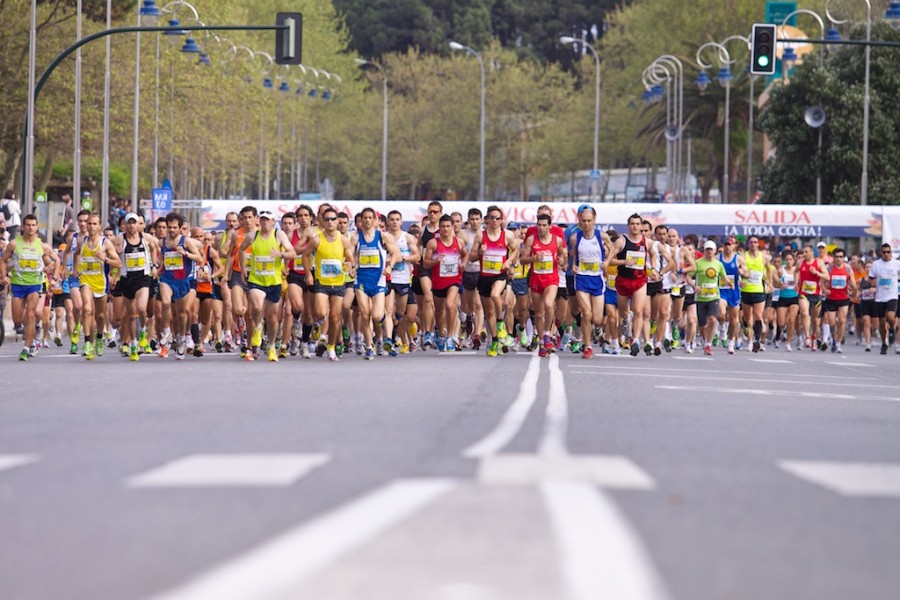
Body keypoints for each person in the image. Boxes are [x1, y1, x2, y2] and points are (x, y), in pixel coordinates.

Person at [239, 210, 296, 361]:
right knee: (257, 307)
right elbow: (241, 249)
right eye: (262, 219)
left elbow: (293, 253)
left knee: (272, 318)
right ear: (259, 221)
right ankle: (258, 327)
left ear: (272, 222)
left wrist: (281, 254)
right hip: (256, 280)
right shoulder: (253, 236)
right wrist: (243, 268)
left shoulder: (279, 235)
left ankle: (271, 346)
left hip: (274, 281)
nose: (265, 222)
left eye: (268, 220)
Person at [0, 214, 55, 360]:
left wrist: (50, 269)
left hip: (34, 284)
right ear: (23, 227)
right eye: (28, 225)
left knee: (31, 313)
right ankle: (33, 329)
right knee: (18, 320)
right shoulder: (14, 244)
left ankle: (26, 347)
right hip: (18, 284)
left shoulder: (41, 246)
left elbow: (50, 263)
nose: (30, 228)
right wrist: (4, 276)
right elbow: (3, 260)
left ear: (37, 227)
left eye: (33, 225)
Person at [303, 206, 354, 362]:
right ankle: (318, 327)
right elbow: (305, 256)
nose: (330, 222)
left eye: (333, 219)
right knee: (320, 313)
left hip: (338, 283)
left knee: (334, 317)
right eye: (327, 219)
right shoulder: (317, 239)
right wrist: (309, 274)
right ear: (321, 221)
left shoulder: (344, 240)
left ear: (338, 221)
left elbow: (350, 259)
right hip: (322, 283)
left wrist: (350, 267)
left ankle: (331, 346)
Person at [468, 205, 519, 356]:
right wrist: (480, 252)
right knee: (488, 311)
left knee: (496, 295)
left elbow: (516, 249)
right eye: (492, 218)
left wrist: (508, 261)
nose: (495, 221)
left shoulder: (507, 235)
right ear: (487, 220)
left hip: (500, 275)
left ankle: (500, 324)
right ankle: (495, 340)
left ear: (501, 220)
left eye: (497, 218)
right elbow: (471, 258)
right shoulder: (480, 236)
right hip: (484, 276)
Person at [351, 207, 399, 359]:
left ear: (375, 220)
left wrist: (390, 267)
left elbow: (396, 253)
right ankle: (369, 346)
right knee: (365, 314)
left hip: (378, 280)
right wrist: (351, 267)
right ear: (360, 221)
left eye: (370, 218)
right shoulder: (356, 238)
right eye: (364, 218)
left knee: (377, 315)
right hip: (361, 280)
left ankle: (384, 318)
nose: (367, 220)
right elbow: (350, 256)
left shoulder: (383, 237)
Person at [610, 213, 659, 356]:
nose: (635, 226)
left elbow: (653, 254)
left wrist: (654, 268)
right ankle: (626, 320)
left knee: (638, 311)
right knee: (625, 312)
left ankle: (636, 340)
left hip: (640, 280)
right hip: (623, 280)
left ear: (641, 226)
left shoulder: (647, 242)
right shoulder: (621, 241)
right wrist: (624, 262)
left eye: (637, 224)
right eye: (632, 224)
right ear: (628, 225)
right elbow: (610, 260)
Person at [74, 213, 121, 360]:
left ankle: (99, 337)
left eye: (95, 224)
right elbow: (76, 253)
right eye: (89, 224)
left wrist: (105, 258)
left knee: (101, 315)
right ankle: (88, 342)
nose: (91, 227)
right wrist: (75, 268)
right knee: (87, 308)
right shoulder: (82, 240)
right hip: (86, 279)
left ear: (99, 226)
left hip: (101, 282)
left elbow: (118, 263)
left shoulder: (105, 243)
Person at [158, 212, 203, 360]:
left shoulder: (186, 242)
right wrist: (156, 267)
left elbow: (199, 258)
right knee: (165, 302)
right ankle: (166, 332)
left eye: (174, 227)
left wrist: (185, 253)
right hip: (167, 278)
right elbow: (160, 259)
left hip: (182, 280)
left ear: (180, 228)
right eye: (168, 227)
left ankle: (182, 338)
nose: (171, 230)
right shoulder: (162, 242)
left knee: (182, 313)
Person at [568, 205, 611, 360]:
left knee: (597, 319)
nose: (586, 224)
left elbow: (613, 250)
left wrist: (607, 261)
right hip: (581, 279)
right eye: (583, 220)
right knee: (586, 313)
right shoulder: (575, 238)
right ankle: (587, 347)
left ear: (594, 220)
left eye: (589, 221)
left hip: (597, 280)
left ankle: (595, 331)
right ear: (579, 220)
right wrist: (574, 265)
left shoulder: (602, 236)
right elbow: (574, 255)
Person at [522, 213, 567, 358]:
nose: (541, 228)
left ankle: (547, 334)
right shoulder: (531, 240)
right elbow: (522, 260)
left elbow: (563, 257)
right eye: (539, 225)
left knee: (549, 304)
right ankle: (542, 342)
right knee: (539, 314)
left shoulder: (557, 240)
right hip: (536, 280)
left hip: (551, 280)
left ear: (550, 226)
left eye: (544, 225)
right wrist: (533, 258)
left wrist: (561, 261)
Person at [118, 212, 161, 361]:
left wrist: (154, 265)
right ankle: (134, 345)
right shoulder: (120, 239)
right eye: (128, 223)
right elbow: (109, 252)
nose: (131, 225)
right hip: (126, 278)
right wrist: (115, 256)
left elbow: (155, 248)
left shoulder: (146, 238)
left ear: (138, 224)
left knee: (142, 309)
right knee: (130, 315)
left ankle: (142, 331)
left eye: (134, 223)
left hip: (143, 277)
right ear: (125, 225)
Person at [422, 214, 467, 352]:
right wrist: (436, 261)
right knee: (439, 310)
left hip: (454, 279)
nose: (445, 229)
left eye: (448, 226)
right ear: (439, 228)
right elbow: (425, 263)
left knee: (450, 305)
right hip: (438, 282)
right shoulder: (433, 243)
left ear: (452, 227)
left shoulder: (459, 242)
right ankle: (441, 334)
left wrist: (463, 264)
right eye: (443, 226)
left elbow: (465, 254)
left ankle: (450, 336)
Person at [694, 240, 732, 355]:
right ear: (704, 251)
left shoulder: (718, 264)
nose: (709, 252)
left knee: (713, 319)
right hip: (701, 298)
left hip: (714, 297)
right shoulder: (697, 263)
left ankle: (708, 345)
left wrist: (729, 283)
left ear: (715, 251)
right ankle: (705, 340)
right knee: (702, 325)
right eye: (707, 249)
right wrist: (694, 286)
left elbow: (724, 277)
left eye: (711, 249)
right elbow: (688, 276)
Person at [821, 247, 856, 354]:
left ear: (843, 258)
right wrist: (825, 290)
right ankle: (833, 338)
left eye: (841, 257)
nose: (838, 259)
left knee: (842, 320)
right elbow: (822, 282)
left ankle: (838, 343)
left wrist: (853, 289)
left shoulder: (848, 268)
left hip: (844, 298)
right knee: (832, 323)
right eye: (836, 257)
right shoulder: (829, 269)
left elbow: (853, 282)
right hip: (831, 299)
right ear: (833, 258)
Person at [867, 243, 900, 355]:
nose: (886, 254)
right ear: (881, 252)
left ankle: (892, 329)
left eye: (888, 252)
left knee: (890, 316)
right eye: (884, 252)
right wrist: (873, 283)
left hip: (892, 295)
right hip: (880, 297)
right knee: (881, 322)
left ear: (891, 252)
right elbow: (870, 279)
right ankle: (884, 344)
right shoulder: (876, 264)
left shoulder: (896, 264)